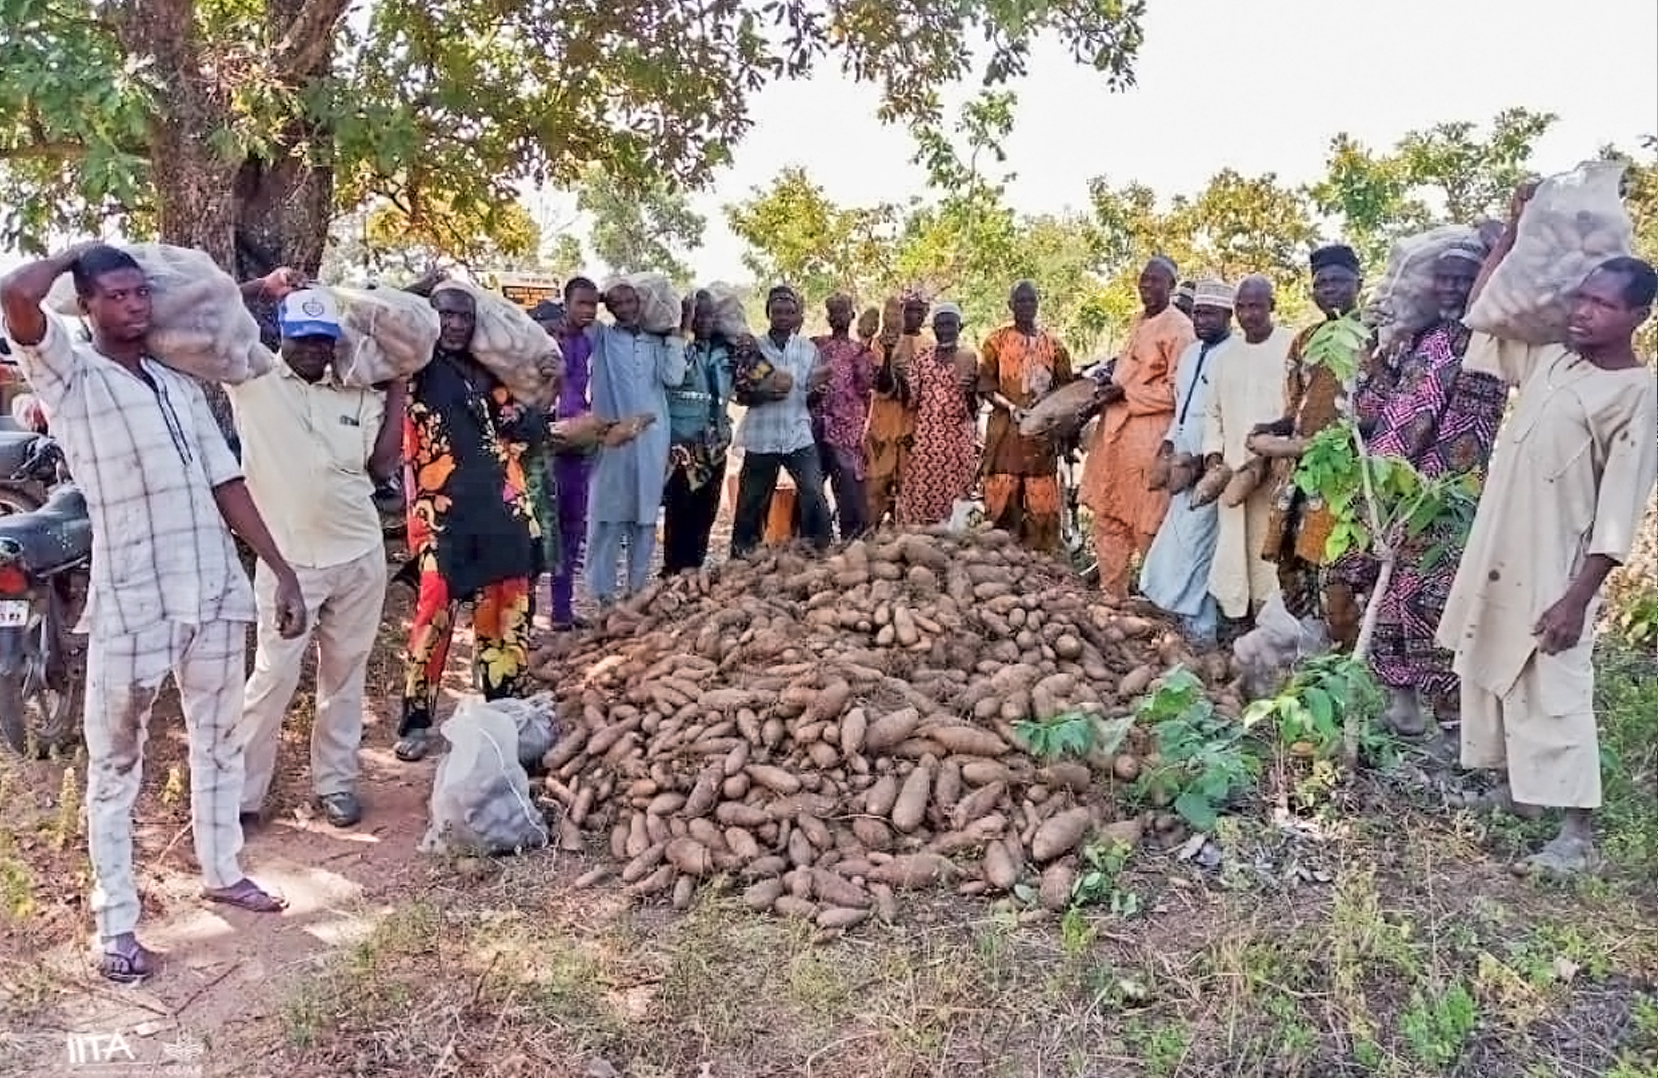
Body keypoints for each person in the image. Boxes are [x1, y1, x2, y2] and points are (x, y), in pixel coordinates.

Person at [0, 245, 306, 982]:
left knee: (219, 737)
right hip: (134, 595)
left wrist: (282, 567)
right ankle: (117, 927)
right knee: (116, 766)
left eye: (142, 293)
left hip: (207, 583)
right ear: (89, 306)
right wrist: (77, 256)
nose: (135, 305)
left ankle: (222, 869)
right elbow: (15, 292)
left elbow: (226, 481)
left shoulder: (178, 384)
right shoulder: (70, 373)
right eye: (117, 294)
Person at [1439, 242, 1658, 877]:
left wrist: (1577, 598)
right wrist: (1511, 237)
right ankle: (1520, 793)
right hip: (1502, 543)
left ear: (1638, 316)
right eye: (1581, 298)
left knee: (1554, 685)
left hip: (1557, 562)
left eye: (1602, 304)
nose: (1584, 312)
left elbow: (1620, 508)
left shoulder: (1635, 394)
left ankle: (1576, 834)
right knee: (1490, 660)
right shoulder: (1552, 357)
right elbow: (1486, 313)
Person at [229, 285, 399, 829]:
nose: (312, 350)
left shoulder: (354, 391)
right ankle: (243, 797)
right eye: (301, 339)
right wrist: (257, 288)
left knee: (345, 677)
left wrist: (397, 389)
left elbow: (382, 465)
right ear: (281, 336)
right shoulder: (251, 380)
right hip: (290, 565)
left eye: (322, 341)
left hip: (359, 555)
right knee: (273, 678)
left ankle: (337, 784)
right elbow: (209, 318)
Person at [1329, 238, 1507, 735]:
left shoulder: (1479, 342)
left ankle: (1455, 726)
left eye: (1462, 279)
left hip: (1444, 502)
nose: (1451, 287)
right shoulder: (1412, 337)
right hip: (1399, 499)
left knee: (1433, 606)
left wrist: (1384, 474)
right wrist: (1375, 347)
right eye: (1444, 277)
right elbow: (1367, 409)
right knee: (1388, 601)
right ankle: (1402, 708)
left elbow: (1418, 421)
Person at [397, 284, 545, 762]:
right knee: (433, 614)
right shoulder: (413, 369)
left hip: (501, 510)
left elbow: (522, 430)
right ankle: (416, 723)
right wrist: (416, 294)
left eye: (464, 316)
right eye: (445, 315)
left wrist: (539, 398)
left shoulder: (489, 373)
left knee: (504, 613)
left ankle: (503, 715)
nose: (456, 324)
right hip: (440, 513)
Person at [1257, 244, 1377, 648]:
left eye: (1339, 281)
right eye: (1321, 282)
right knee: (1297, 566)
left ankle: (1349, 658)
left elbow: (1387, 409)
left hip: (1349, 478)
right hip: (1303, 476)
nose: (1329, 289)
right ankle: (1315, 654)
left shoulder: (1376, 336)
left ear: (1358, 283)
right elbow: (1296, 407)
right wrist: (1270, 430)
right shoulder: (1306, 339)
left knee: (1340, 573)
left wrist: (1330, 441)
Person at [1080, 257, 1196, 600]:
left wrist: (1126, 393)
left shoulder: (1180, 329)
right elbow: (1126, 369)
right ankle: (1112, 595)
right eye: (1144, 280)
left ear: (1171, 286)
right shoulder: (1139, 320)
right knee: (1108, 513)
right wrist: (1105, 386)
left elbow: (1177, 391)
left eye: (1156, 281)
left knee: (1148, 522)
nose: (1147, 286)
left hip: (1149, 435)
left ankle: (1157, 601)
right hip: (1115, 432)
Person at [1140, 280, 1237, 644]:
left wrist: (1204, 461)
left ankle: (1202, 633)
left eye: (1210, 313)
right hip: (1181, 461)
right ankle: (1183, 622)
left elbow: (1231, 417)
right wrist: (1166, 447)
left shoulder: (1235, 355)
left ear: (1229, 315)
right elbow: (1182, 410)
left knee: (1199, 546)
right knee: (1180, 543)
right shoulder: (1190, 353)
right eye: (1198, 312)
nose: (1202, 319)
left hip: (1213, 466)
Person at [586, 281, 690, 602]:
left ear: (641, 303)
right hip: (611, 438)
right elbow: (577, 318)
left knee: (645, 515)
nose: (627, 308)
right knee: (607, 514)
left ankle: (636, 592)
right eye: (617, 303)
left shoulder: (656, 344)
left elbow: (674, 378)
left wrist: (678, 332)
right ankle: (602, 595)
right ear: (609, 306)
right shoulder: (603, 337)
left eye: (632, 301)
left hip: (651, 439)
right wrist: (599, 296)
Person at [1201, 275, 1295, 624]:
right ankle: (1237, 621)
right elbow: (1213, 415)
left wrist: (1276, 448)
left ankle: (1272, 622)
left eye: (1256, 305)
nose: (1248, 314)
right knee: (1234, 550)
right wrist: (1214, 458)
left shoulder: (1291, 347)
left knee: (1270, 549)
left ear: (1272, 305)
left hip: (1278, 471)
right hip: (1234, 473)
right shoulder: (1225, 357)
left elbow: (1299, 408)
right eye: (1241, 306)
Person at [730, 286, 834, 555]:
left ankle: (817, 548)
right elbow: (741, 394)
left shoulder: (808, 349)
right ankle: (743, 554)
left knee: (813, 490)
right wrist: (764, 392)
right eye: (777, 311)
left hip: (797, 432)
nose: (783, 316)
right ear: (768, 313)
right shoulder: (754, 347)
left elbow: (811, 398)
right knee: (751, 500)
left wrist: (816, 393)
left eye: (789, 311)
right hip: (762, 435)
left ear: (797, 315)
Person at [978, 281, 1076, 552]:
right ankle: (999, 553)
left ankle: (1040, 556)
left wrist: (1055, 421)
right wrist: (1010, 407)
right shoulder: (996, 341)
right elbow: (985, 385)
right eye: (1019, 301)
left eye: (1030, 301)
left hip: (1040, 440)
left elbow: (1066, 389)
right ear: (1010, 305)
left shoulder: (1053, 345)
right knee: (1002, 493)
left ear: (1037, 304)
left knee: (1041, 498)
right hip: (1005, 434)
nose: (1025, 306)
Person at [662, 290, 737, 573]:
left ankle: (693, 570)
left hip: (714, 448)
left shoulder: (724, 353)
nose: (705, 320)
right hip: (683, 447)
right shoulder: (678, 347)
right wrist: (681, 331)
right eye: (699, 314)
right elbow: (673, 378)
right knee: (680, 512)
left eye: (711, 315)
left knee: (706, 513)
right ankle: (672, 571)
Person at [897, 303, 980, 525]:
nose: (945, 330)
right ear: (933, 328)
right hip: (926, 444)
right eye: (940, 325)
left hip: (957, 444)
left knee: (957, 505)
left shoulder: (969, 358)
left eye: (950, 324)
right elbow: (910, 400)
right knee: (920, 502)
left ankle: (956, 545)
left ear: (959, 327)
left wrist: (971, 392)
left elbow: (975, 410)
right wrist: (901, 378)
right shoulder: (922, 358)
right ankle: (919, 543)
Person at [548, 277, 599, 630]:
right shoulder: (550, 337)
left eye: (593, 304)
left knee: (571, 528)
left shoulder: (589, 340)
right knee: (542, 531)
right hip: (548, 446)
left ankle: (562, 612)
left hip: (578, 446)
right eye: (580, 303)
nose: (587, 310)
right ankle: (524, 614)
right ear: (565, 302)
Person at [810, 292, 876, 540]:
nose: (838, 316)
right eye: (833, 312)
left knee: (849, 486)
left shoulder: (861, 352)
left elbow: (865, 387)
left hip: (847, 427)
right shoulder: (815, 344)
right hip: (816, 424)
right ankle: (814, 540)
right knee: (812, 485)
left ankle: (853, 540)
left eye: (843, 311)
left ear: (852, 316)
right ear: (828, 317)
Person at [866, 291, 929, 526]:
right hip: (882, 424)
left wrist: (903, 379)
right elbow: (881, 386)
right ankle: (868, 537)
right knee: (876, 486)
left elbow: (921, 392)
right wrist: (890, 358)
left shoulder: (929, 346)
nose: (911, 316)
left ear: (925, 315)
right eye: (906, 310)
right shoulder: (880, 343)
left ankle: (905, 536)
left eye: (917, 310)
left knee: (910, 489)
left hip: (913, 428)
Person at [524, 300, 567, 619]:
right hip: (515, 476)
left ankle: (524, 626)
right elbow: (527, 421)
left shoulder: (551, 372)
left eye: (559, 334)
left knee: (537, 551)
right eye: (549, 332)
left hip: (538, 471)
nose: (555, 341)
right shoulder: (510, 372)